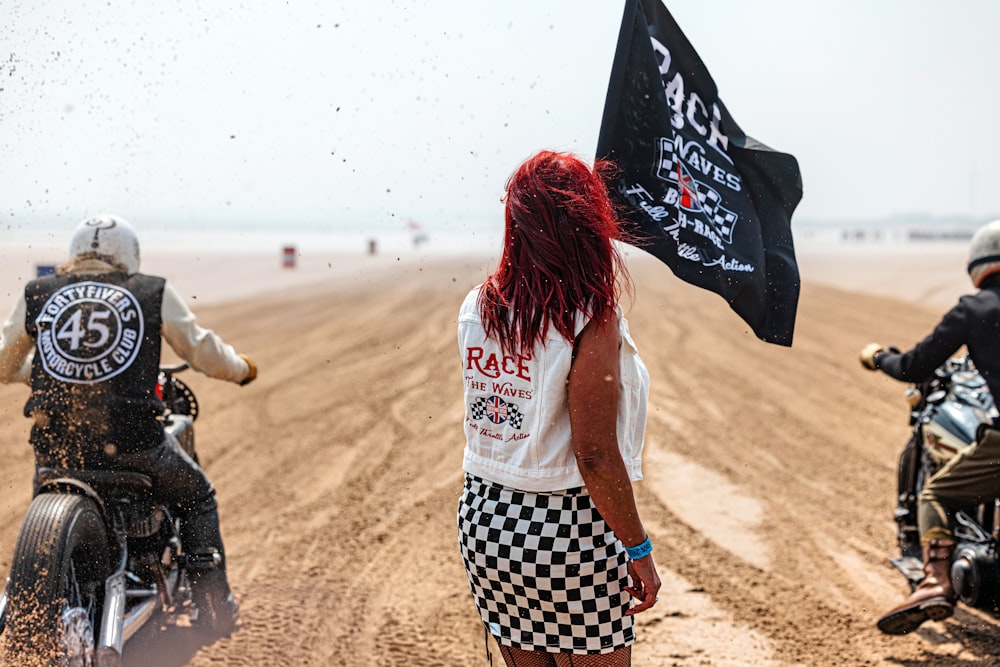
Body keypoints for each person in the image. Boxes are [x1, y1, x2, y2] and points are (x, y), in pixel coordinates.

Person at [0, 214, 257, 635]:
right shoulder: (149, 290)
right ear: (129, 256)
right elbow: (201, 349)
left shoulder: (39, 292)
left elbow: (4, 364)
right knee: (197, 496)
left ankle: (36, 593)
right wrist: (242, 369)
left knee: (45, 499)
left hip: (55, 447)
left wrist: (47, 371)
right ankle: (215, 608)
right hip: (134, 442)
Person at [456, 150, 661, 667]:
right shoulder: (591, 313)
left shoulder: (478, 303)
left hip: (486, 519)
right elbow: (593, 453)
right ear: (587, 225)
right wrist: (638, 549)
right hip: (566, 528)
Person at [860, 219, 1000, 635]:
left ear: (976, 266)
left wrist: (879, 356)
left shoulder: (975, 309)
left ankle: (935, 582)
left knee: (936, 492)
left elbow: (914, 366)